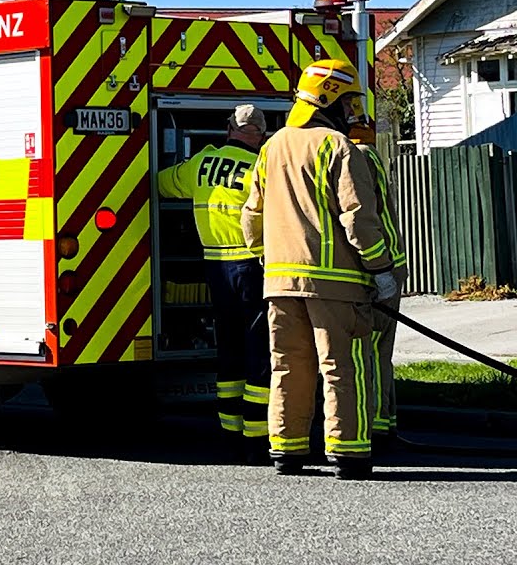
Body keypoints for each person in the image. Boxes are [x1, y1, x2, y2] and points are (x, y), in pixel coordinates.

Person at [241, 59, 398, 481]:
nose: (354, 113)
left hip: (279, 284)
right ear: (329, 99)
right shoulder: (338, 147)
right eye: (349, 102)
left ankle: (287, 451)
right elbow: (358, 218)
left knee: (288, 366)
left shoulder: (272, 147)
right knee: (342, 367)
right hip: (337, 285)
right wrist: (381, 270)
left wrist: (267, 259)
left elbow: (250, 217)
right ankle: (349, 454)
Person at [158, 104, 272, 463]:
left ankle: (230, 436)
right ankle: (257, 438)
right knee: (260, 352)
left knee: (230, 352)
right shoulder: (260, 168)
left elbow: (162, 183)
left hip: (215, 268)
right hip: (253, 267)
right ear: (262, 135)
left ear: (229, 129)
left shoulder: (201, 164)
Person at [346, 120, 408, 449]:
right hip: (391, 265)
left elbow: (358, 216)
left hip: (377, 270)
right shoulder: (372, 155)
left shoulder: (358, 158)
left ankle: (373, 425)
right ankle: (385, 422)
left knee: (367, 353)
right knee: (381, 353)